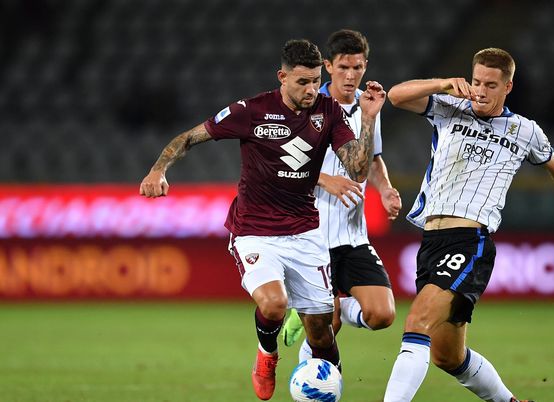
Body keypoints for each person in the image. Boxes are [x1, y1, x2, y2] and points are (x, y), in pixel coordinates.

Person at [139, 39, 386, 401]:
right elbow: (190, 138)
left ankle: (328, 390)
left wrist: (367, 118)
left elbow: (358, 168)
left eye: (315, 81)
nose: (310, 90)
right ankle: (267, 355)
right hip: (254, 230)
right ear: (282, 77)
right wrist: (158, 169)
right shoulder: (251, 110)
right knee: (274, 304)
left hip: (305, 232)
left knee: (320, 332)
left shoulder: (329, 111)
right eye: (302, 82)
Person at [382, 48, 554, 402]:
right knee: (447, 356)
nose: (481, 91)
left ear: (508, 87)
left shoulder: (524, 131)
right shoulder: (450, 108)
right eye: (477, 81)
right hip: (431, 242)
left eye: (491, 85)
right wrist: (443, 84)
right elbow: (396, 96)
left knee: (417, 321)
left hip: (469, 242)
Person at [280, 29, 401, 359]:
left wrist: (386, 188)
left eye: (358, 68)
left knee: (382, 315)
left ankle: (334, 305)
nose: (351, 76)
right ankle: (317, 376)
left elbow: (372, 158)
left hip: (352, 236)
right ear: (328, 66)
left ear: (365, 66)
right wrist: (324, 179)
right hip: (310, 236)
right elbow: (281, 164)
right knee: (327, 328)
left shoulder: (368, 105)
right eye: (344, 67)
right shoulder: (306, 105)